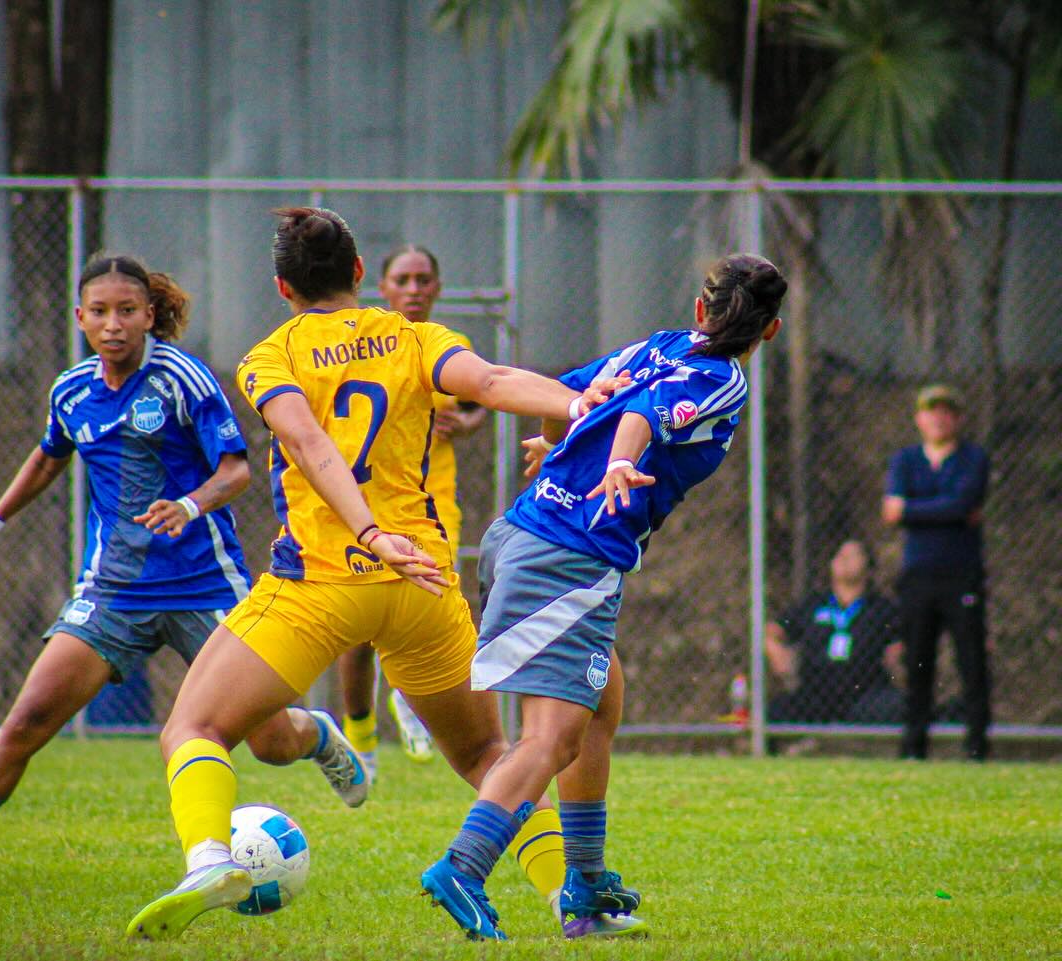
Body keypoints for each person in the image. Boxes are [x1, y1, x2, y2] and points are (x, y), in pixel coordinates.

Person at [124, 207, 622, 941]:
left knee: (193, 725)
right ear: (361, 274)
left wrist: (365, 531)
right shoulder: (414, 335)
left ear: (282, 286)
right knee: (488, 754)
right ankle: (570, 905)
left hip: (320, 585)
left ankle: (208, 858)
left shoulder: (272, 355)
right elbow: (489, 379)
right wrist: (574, 401)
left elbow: (309, 443)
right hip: (419, 586)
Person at [0, 254, 356, 896]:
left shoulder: (183, 379)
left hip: (204, 587)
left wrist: (188, 505)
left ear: (150, 315)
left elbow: (236, 469)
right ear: (79, 319)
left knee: (267, 740)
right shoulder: (71, 391)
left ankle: (315, 734)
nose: (114, 324)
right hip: (113, 592)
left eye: (127, 311)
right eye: (99, 312)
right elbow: (49, 456)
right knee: (27, 721)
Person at [421, 253, 787, 942]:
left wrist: (554, 439)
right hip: (568, 558)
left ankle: (586, 886)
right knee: (552, 738)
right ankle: (461, 868)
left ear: (701, 310)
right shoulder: (721, 379)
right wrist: (619, 459)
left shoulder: (661, 344)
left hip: (526, 534)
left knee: (601, 701)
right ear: (769, 333)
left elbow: (574, 391)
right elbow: (642, 415)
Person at [338, 244, 486, 775]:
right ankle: (360, 736)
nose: (415, 288)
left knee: (433, 602)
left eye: (425, 278)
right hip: (363, 505)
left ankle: (410, 699)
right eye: (404, 278)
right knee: (357, 628)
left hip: (430, 505)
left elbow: (474, 403)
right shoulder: (355, 349)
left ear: (439, 288)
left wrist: (464, 424)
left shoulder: (449, 346)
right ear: (382, 287)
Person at [883, 384, 990, 761]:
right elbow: (892, 512)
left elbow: (962, 503)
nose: (939, 418)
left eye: (947, 411)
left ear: (958, 419)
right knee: (918, 662)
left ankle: (977, 746)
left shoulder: (973, 458)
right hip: (918, 576)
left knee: (971, 662)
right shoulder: (906, 460)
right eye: (932, 411)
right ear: (919, 418)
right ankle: (914, 747)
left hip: (961, 575)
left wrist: (913, 509)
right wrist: (945, 510)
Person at [764, 539, 904, 725]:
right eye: (839, 554)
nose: (844, 559)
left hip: (865, 692)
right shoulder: (813, 604)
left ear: (868, 568)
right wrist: (779, 655)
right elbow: (774, 631)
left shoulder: (881, 608)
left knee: (894, 707)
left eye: (853, 554)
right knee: (775, 711)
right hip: (815, 691)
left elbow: (899, 645)